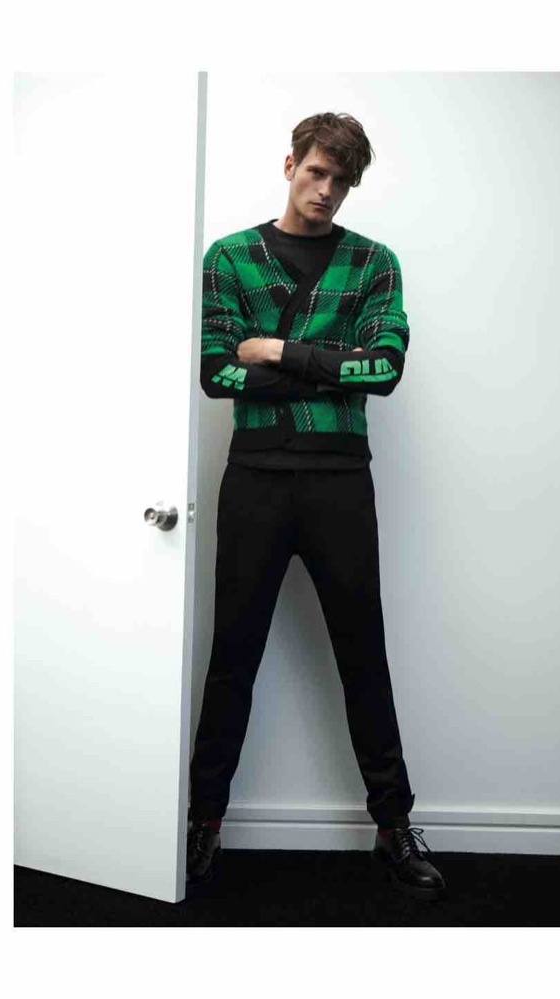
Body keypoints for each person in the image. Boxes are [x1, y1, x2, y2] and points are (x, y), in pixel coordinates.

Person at [188, 112, 445, 901]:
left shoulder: (374, 262)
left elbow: (383, 368)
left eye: (342, 180)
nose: (327, 189)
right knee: (233, 655)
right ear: (290, 164)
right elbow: (216, 372)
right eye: (317, 171)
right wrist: (329, 362)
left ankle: (393, 823)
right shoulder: (231, 256)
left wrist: (274, 349)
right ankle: (202, 817)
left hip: (339, 481)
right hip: (256, 477)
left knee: (362, 653)